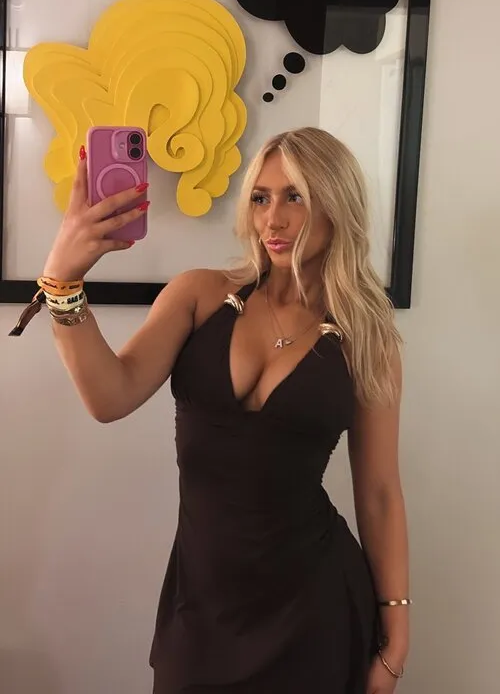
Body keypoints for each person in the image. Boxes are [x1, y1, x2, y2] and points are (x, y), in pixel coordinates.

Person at [17, 126, 411, 693]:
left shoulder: (366, 339)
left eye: (295, 197)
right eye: (261, 198)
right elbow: (109, 396)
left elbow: (378, 492)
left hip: (315, 612)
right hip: (201, 620)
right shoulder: (198, 296)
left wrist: (396, 629)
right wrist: (63, 279)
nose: (273, 219)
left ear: (336, 204)